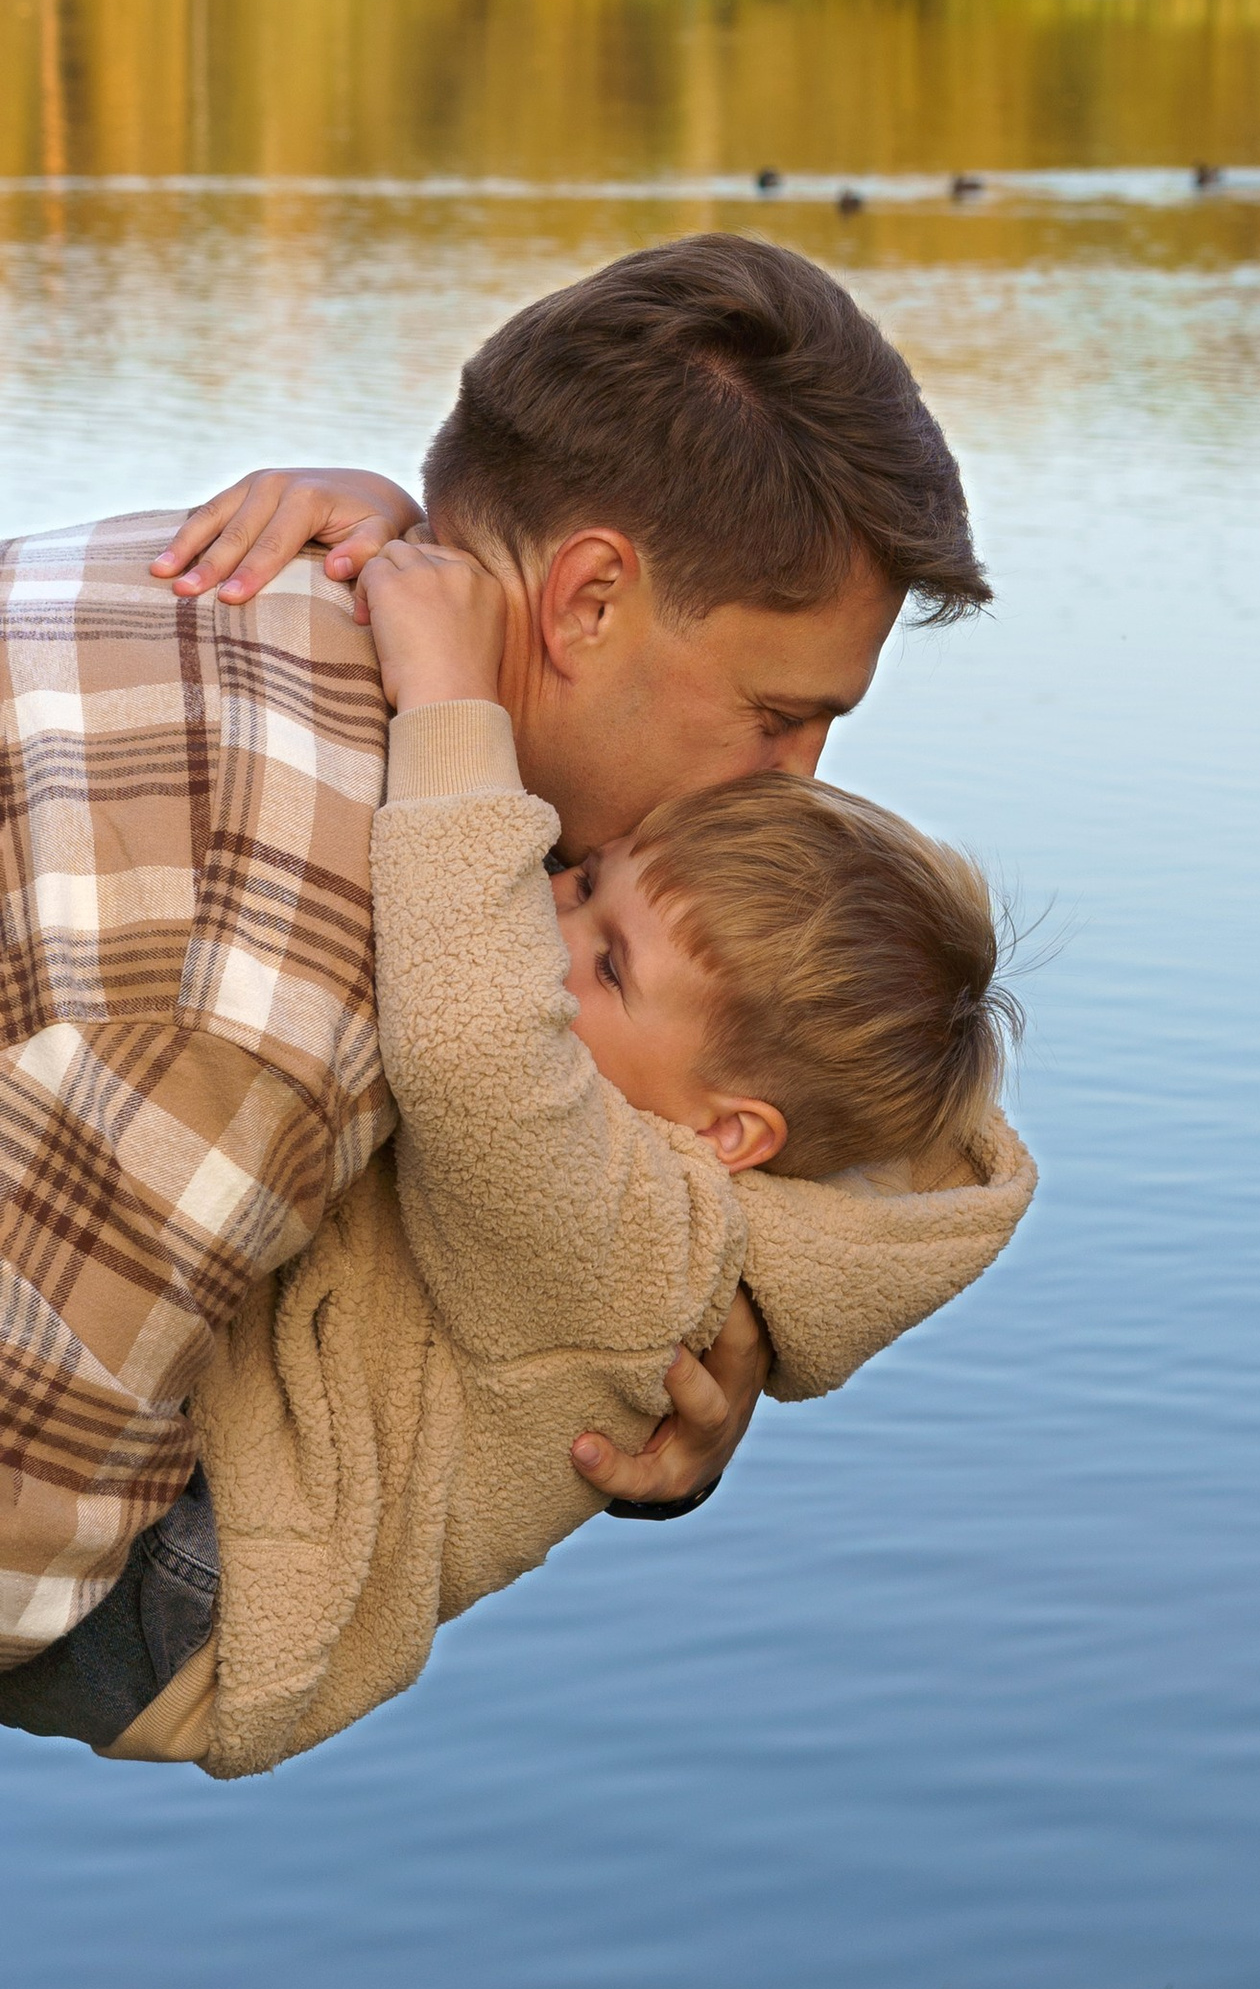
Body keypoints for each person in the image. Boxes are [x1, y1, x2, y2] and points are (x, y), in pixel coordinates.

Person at [0, 234, 988, 1681]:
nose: (793, 782)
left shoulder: (232, 571)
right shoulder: (278, 994)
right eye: (778, 713)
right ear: (586, 599)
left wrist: (692, 1300)